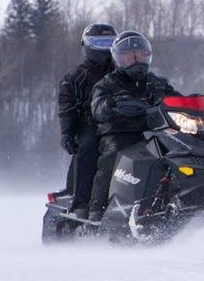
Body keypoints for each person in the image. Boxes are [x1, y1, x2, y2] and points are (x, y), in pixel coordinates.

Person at [88, 31, 180, 221]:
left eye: (140, 55)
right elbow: (97, 107)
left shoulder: (157, 83)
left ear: (148, 56)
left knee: (179, 152)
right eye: (129, 56)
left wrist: (200, 104)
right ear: (118, 59)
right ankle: (97, 208)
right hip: (119, 133)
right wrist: (112, 105)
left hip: (154, 131)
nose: (135, 60)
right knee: (112, 157)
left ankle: (175, 196)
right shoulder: (107, 83)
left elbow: (177, 100)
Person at [58, 23, 118, 218]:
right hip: (91, 124)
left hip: (122, 123)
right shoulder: (75, 77)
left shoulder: (124, 73)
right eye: (99, 43)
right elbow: (67, 109)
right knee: (89, 147)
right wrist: (68, 134)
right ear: (87, 46)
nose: (105, 49)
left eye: (109, 43)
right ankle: (83, 202)